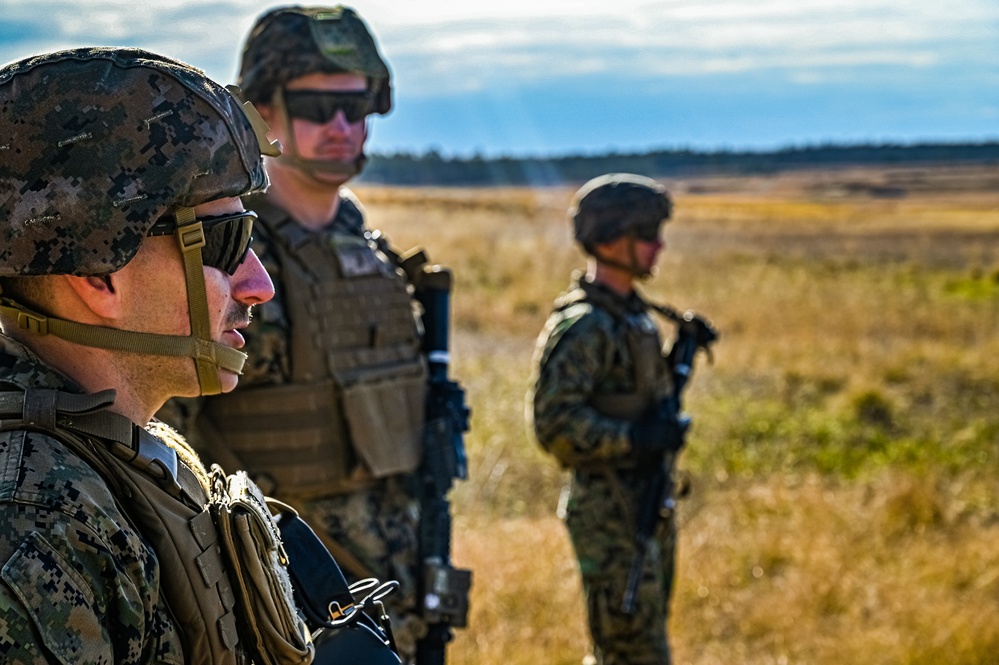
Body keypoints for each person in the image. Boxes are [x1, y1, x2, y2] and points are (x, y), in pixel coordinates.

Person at [0, 47, 329, 664]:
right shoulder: (33, 526)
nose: (260, 284)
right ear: (99, 276)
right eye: (224, 243)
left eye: (249, 233)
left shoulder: (128, 449)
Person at [158, 7, 467, 661]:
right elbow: (164, 449)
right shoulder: (227, 260)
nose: (341, 126)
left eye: (356, 108)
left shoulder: (366, 247)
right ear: (262, 110)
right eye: (316, 105)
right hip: (284, 608)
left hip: (393, 595)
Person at [528, 174, 689, 665]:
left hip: (644, 500)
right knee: (632, 650)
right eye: (646, 234)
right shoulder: (586, 327)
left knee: (643, 639)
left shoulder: (632, 317)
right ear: (607, 240)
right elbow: (555, 425)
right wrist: (635, 439)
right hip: (610, 511)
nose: (658, 246)